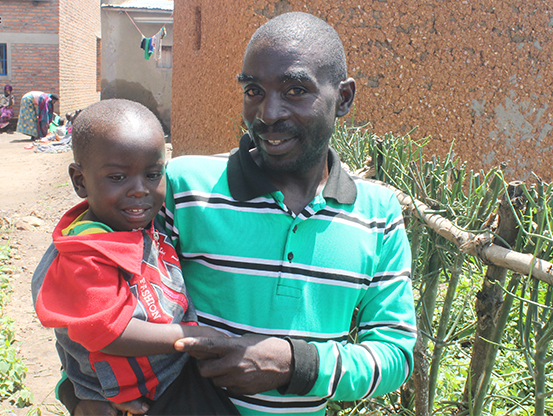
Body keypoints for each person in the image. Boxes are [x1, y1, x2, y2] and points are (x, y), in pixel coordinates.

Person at [34, 12, 417, 416]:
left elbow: (395, 356)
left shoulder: (378, 217)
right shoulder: (183, 188)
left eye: (295, 90)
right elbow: (87, 288)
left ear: (343, 98)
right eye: (254, 90)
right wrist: (80, 397)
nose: (269, 113)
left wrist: (292, 364)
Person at [32, 99, 239, 415]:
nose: (140, 190)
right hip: (139, 396)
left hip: (164, 378)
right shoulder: (87, 251)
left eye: (153, 174)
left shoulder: (137, 220)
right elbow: (106, 331)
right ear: (79, 181)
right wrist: (188, 336)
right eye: (117, 177)